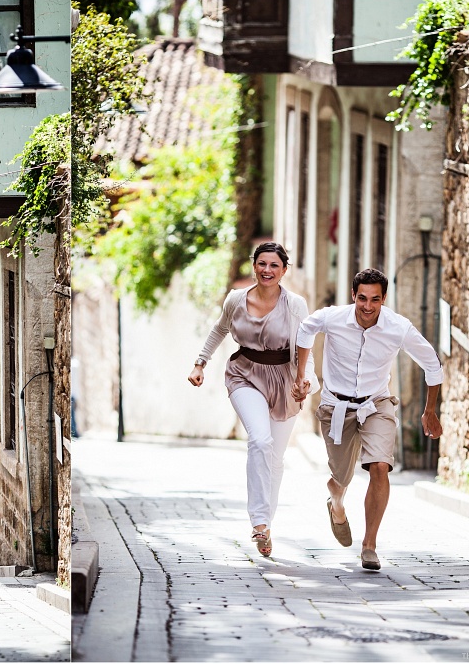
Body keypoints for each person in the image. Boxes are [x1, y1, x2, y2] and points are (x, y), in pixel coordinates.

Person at [292, 268, 443, 570]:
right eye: (362, 298)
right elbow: (305, 329)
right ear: (353, 296)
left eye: (375, 299)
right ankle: (336, 502)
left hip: (377, 404)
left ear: (384, 299)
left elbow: (432, 364)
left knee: (379, 467)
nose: (368, 306)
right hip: (336, 407)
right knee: (341, 479)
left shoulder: (398, 327)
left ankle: (369, 545)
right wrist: (302, 375)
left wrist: (430, 410)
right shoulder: (333, 318)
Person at [188, 242, 319, 557]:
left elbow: (305, 346)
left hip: (284, 379)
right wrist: (200, 362)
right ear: (254, 266)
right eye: (262, 264)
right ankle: (258, 522)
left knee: (275, 459)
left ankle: (266, 525)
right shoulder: (236, 300)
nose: (267, 270)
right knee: (260, 440)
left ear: (283, 270)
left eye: (274, 265)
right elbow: (219, 330)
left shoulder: (295, 305)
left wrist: (306, 382)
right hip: (244, 374)